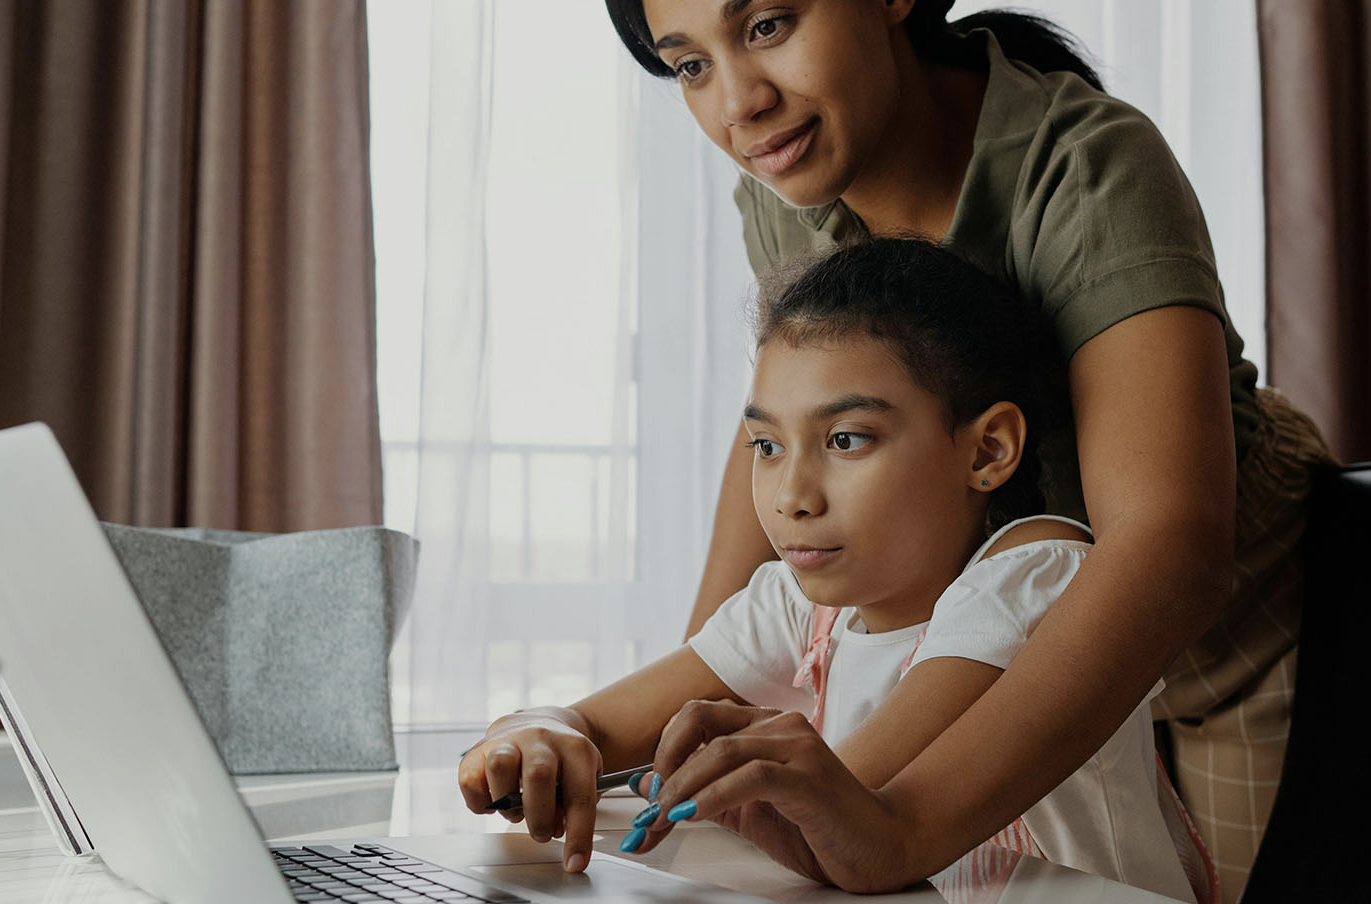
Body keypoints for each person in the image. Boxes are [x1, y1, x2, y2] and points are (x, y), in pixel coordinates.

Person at [589, 0, 1336, 899]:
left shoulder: (1086, 164)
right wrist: (687, 724)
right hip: (1000, 623)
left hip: (1223, 626)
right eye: (688, 64)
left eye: (765, 26)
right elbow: (782, 436)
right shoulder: (788, 186)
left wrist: (899, 823)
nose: (739, 103)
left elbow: (1168, 541)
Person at [459, 238, 1211, 903]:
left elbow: (852, 808)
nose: (791, 496)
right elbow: (596, 723)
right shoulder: (802, 605)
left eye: (848, 440)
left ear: (986, 451)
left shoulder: (1036, 575)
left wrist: (713, 779)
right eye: (767, 446)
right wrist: (537, 734)